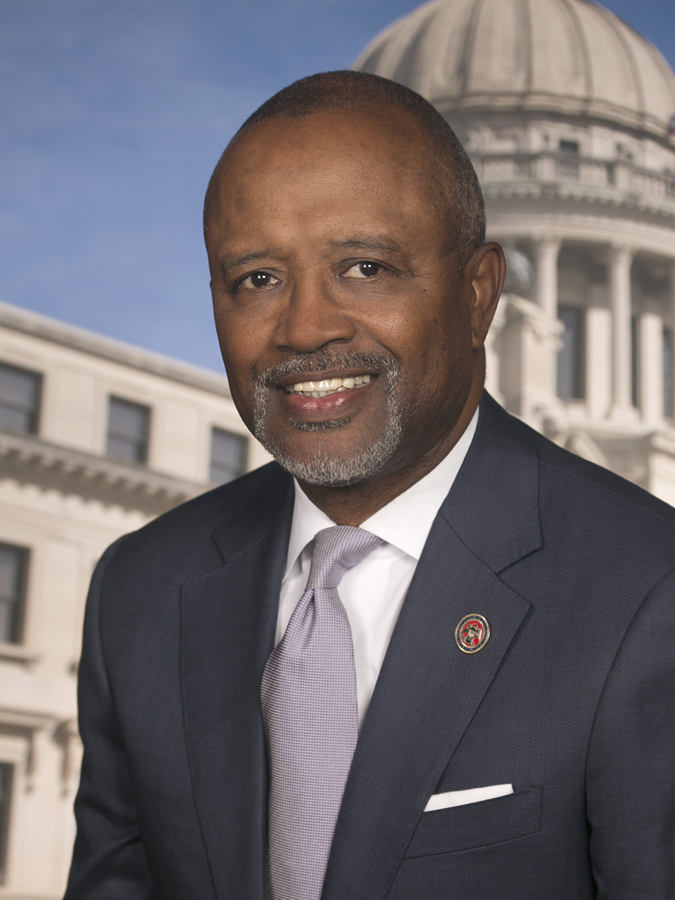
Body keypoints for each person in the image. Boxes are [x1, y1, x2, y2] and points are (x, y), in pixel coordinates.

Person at [65, 71, 675, 900]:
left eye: (364, 267)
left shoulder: (645, 583)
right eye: (257, 278)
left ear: (477, 294)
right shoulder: (138, 588)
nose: (305, 327)